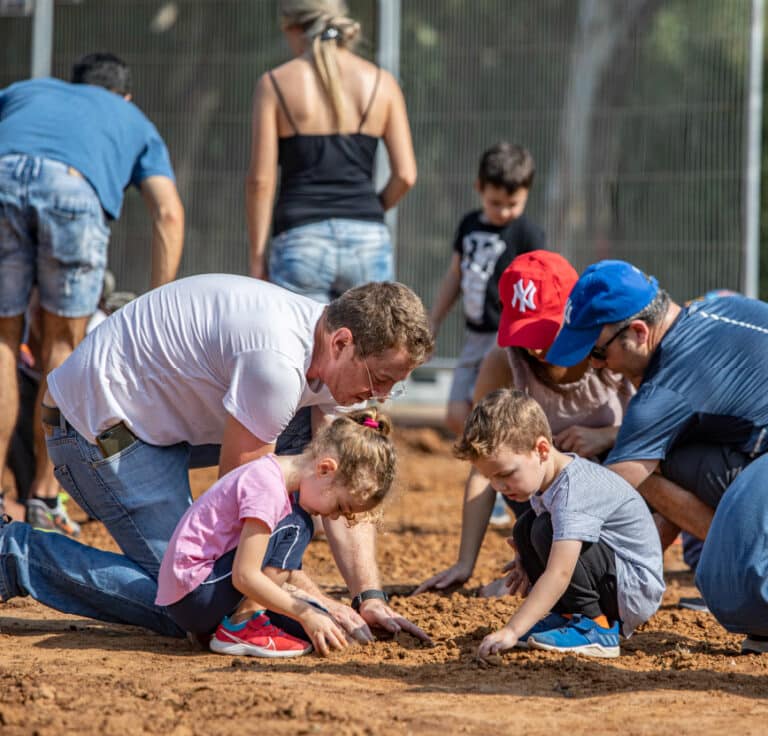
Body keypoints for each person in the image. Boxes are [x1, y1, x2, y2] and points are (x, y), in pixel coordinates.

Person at [0, 277, 434, 643]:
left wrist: (368, 596)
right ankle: (12, 553)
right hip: (97, 429)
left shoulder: (327, 351)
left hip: (159, 422)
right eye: (379, 379)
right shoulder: (278, 363)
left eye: (392, 386)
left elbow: (344, 479)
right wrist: (302, 597)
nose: (379, 396)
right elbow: (241, 500)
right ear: (343, 342)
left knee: (334, 448)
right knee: (192, 599)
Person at [0, 52, 185, 533]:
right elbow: (167, 213)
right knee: (61, 346)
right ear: (124, 96)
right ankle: (43, 497)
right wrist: (156, 308)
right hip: (73, 192)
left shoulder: (28, 92)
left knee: (2, 339)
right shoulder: (131, 118)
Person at [545, 259, 768, 654]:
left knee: (654, 468)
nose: (598, 368)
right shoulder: (719, 309)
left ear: (638, 332)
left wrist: (547, 548)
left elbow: (612, 484)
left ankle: (743, 566)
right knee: (668, 453)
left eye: (597, 354)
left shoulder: (665, 388)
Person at [414, 251, 633, 597]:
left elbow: (659, 433)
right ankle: (540, 572)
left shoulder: (610, 348)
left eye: (545, 330)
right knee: (528, 505)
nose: (534, 348)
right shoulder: (506, 361)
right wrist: (464, 563)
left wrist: (607, 436)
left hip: (617, 487)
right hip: (544, 502)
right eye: (525, 332)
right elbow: (482, 462)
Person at [158, 408, 396, 658]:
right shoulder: (268, 487)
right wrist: (305, 611)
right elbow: (245, 576)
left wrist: (313, 613)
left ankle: (236, 622)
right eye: (339, 506)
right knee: (299, 524)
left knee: (324, 632)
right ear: (325, 469)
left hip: (202, 596)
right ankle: (243, 624)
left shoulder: (276, 483)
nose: (334, 517)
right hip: (198, 593)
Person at [456, 389, 664, 659]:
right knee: (526, 528)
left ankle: (596, 627)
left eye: (505, 474)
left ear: (541, 449)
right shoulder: (551, 483)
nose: (498, 486)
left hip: (632, 589)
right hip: (613, 579)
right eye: (490, 478)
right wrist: (525, 557)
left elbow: (560, 573)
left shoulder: (573, 491)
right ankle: (567, 616)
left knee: (546, 530)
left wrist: (512, 630)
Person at [247, 0, 417, 301]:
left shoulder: (273, 85)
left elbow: (261, 182)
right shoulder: (382, 82)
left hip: (300, 238)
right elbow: (405, 175)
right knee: (370, 346)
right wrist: (369, 208)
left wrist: (258, 258)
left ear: (294, 28)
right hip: (367, 237)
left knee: (302, 345)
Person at [429, 142, 545, 436]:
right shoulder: (469, 225)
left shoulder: (528, 233)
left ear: (527, 194)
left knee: (492, 413)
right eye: (495, 202)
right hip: (474, 336)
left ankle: (496, 473)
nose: (504, 211)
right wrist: (434, 320)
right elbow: (456, 274)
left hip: (506, 340)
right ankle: (485, 467)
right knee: (456, 414)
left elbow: (539, 287)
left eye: (513, 204)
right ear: (479, 187)